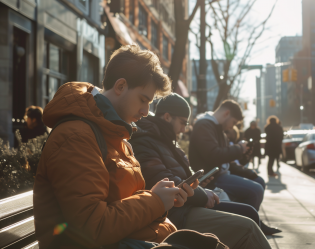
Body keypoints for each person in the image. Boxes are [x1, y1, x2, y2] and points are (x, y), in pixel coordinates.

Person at [33, 44, 196, 249]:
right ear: (120, 86)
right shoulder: (76, 135)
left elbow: (124, 203)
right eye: (143, 100)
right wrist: (154, 201)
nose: (146, 111)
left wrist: (162, 202)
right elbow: (93, 226)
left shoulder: (115, 133)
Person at [129, 93, 273, 248]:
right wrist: (203, 195)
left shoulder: (168, 141)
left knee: (250, 212)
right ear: (167, 117)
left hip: (188, 203)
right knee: (249, 227)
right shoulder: (146, 141)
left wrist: (198, 183)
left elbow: (182, 175)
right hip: (177, 213)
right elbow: (165, 181)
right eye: (183, 123)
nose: (184, 129)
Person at [189, 100, 267, 212]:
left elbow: (226, 161)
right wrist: (239, 148)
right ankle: (249, 223)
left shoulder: (217, 128)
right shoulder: (204, 125)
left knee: (259, 181)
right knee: (256, 190)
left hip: (220, 174)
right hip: (212, 178)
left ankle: (253, 219)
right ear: (226, 114)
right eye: (234, 122)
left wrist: (243, 157)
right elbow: (214, 155)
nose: (232, 127)